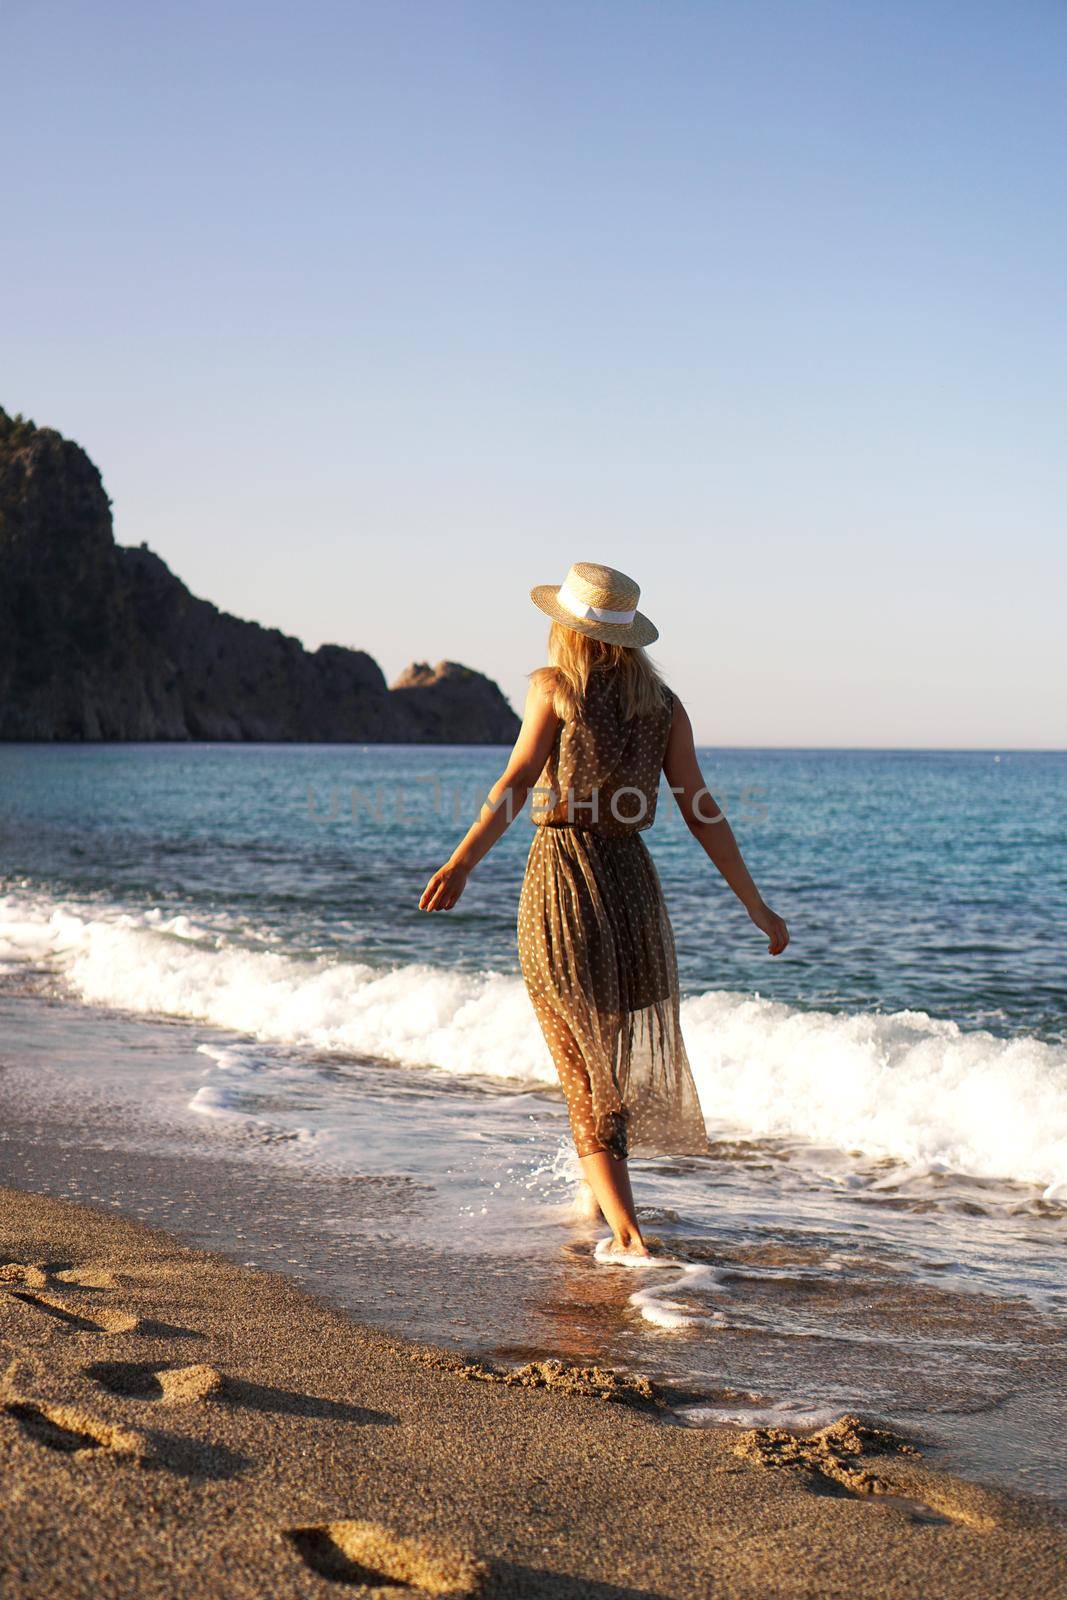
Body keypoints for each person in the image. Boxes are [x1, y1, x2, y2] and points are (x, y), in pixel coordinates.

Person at [419, 562, 788, 1261]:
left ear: (567, 626)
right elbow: (701, 811)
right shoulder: (664, 705)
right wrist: (754, 905)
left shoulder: (551, 688)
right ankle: (597, 1204)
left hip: (562, 880)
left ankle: (626, 1233)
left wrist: (461, 861)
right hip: (631, 889)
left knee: (581, 1062)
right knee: (604, 1055)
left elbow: (517, 780)